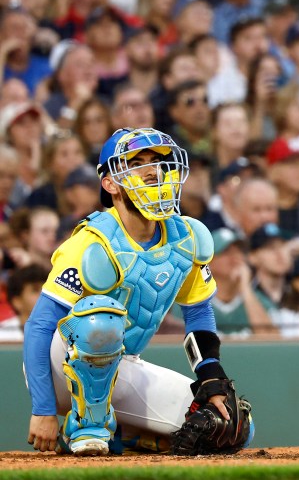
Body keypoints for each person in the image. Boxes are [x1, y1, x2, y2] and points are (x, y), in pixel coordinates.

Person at [21, 127, 253, 455]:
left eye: (156, 162)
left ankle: (126, 435)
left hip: (122, 365)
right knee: (101, 320)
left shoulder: (185, 237)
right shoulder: (92, 241)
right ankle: (85, 426)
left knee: (230, 426)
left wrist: (210, 376)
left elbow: (199, 311)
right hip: (62, 365)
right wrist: (43, 409)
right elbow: (40, 324)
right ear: (110, 184)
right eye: (136, 163)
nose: (151, 170)